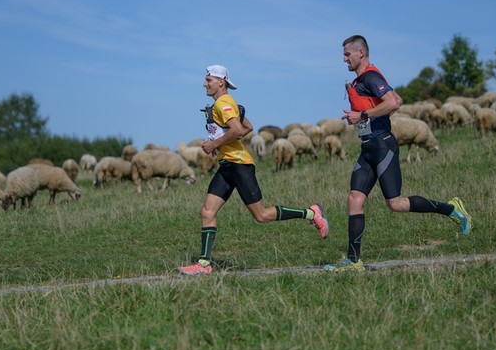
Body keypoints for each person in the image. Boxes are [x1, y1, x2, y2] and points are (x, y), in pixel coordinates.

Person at [324, 35, 472, 272]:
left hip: (383, 147)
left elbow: (392, 103)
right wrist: (369, 115)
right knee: (355, 198)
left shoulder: (370, 75)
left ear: (361, 53)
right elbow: (396, 99)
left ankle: (452, 209)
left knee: (396, 203)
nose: (344, 60)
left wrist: (362, 116)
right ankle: (353, 261)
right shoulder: (362, 79)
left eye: (347, 54)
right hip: (368, 149)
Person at [178, 65, 330, 276]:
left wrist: (215, 144)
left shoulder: (223, 103)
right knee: (207, 212)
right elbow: (248, 127)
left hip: (239, 165)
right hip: (227, 166)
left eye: (208, 80)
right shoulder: (222, 104)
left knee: (262, 215)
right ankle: (204, 264)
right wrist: (221, 143)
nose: (204, 83)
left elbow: (239, 130)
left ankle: (312, 213)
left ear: (221, 82)